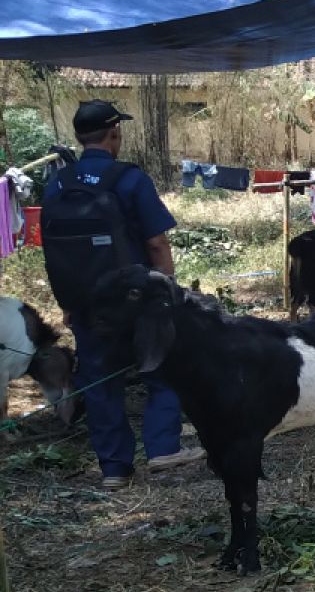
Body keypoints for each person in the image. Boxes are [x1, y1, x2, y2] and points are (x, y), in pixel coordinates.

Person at [42, 100, 203, 489]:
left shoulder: (57, 184)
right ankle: (163, 447)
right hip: (136, 302)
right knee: (161, 367)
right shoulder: (128, 179)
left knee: (99, 382)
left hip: (85, 305)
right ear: (114, 132)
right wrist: (167, 289)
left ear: (80, 137)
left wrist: (67, 303)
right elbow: (157, 244)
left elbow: (52, 250)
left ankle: (114, 469)